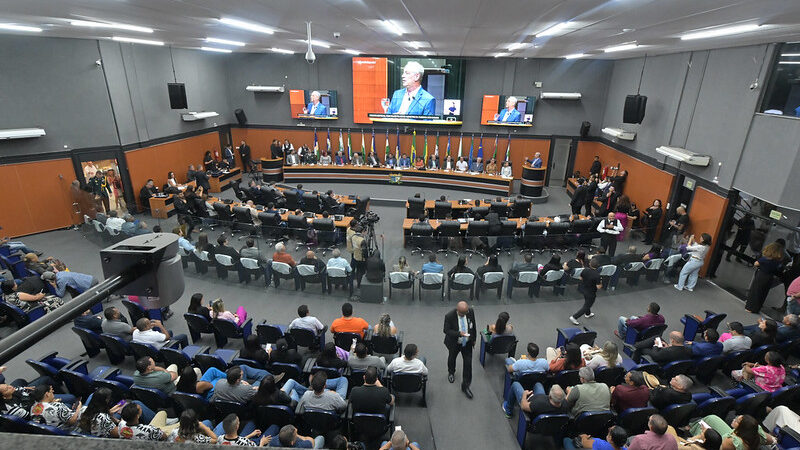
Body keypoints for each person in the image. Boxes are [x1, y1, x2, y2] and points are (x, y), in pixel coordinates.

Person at [501, 342, 548, 416]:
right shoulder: (544, 362)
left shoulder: (521, 363)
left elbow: (509, 369)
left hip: (521, 382)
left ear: (528, 353)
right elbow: (548, 369)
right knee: (538, 384)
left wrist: (522, 361)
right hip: (533, 383)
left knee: (509, 361)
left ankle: (508, 410)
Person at [443, 301, 477, 398]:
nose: (465, 315)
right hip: (455, 343)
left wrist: (474, 339)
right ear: (458, 310)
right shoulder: (449, 316)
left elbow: (473, 325)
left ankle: (465, 386)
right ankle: (451, 372)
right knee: (452, 358)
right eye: (463, 313)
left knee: (468, 364)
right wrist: (459, 334)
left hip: (467, 343)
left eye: (466, 313)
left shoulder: (470, 311)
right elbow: (446, 330)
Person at [689, 414, 774, 450]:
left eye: (737, 421)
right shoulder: (755, 431)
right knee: (712, 418)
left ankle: (689, 437)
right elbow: (771, 440)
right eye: (737, 417)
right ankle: (691, 426)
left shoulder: (731, 440)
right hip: (733, 437)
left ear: (742, 427)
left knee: (703, 432)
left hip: (720, 446)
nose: (734, 419)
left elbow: (716, 446)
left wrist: (703, 434)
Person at [745, 242, 785, 313]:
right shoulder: (777, 262)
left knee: (755, 291)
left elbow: (756, 263)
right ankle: (757, 308)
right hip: (769, 277)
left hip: (761, 275)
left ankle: (750, 307)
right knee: (763, 293)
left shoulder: (765, 259)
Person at [570, 259, 602, 325]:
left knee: (587, 302)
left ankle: (588, 314)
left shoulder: (585, 270)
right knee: (587, 305)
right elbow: (598, 287)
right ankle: (574, 317)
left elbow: (581, 278)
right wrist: (601, 282)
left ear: (590, 264)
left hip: (584, 289)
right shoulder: (597, 275)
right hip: (591, 292)